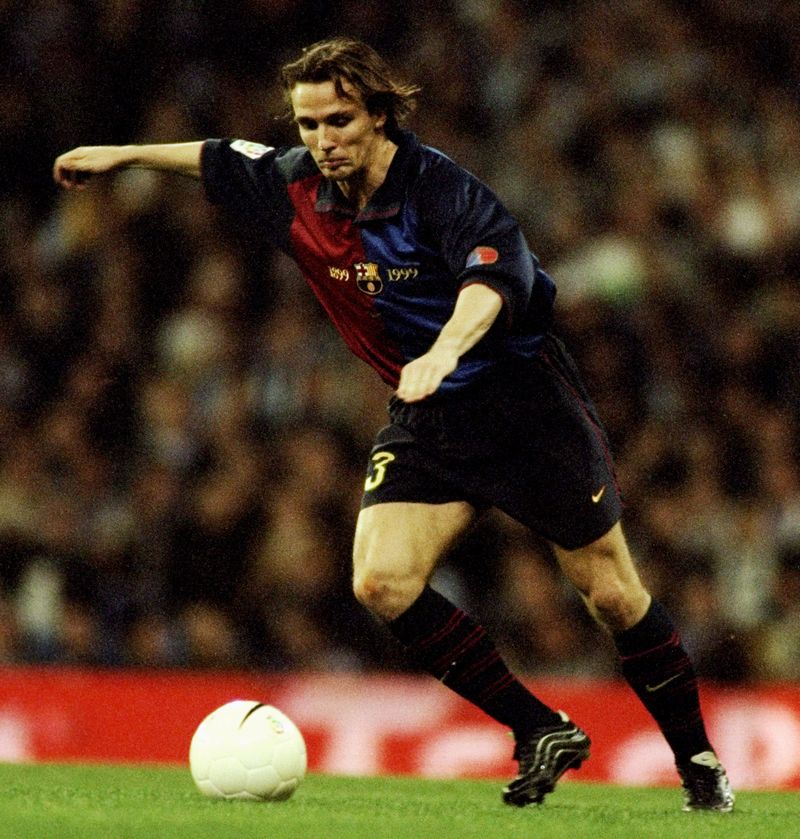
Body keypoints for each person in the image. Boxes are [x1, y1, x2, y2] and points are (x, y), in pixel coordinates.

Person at [53, 37, 733, 812]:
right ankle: (540, 726)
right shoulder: (294, 185)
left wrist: (444, 349)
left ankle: (699, 764)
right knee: (381, 580)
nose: (323, 139)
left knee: (610, 593)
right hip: (430, 414)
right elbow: (220, 154)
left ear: (379, 114)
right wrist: (125, 156)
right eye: (308, 124)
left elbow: (494, 280)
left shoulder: (440, 189)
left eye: (339, 120)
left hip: (523, 409)